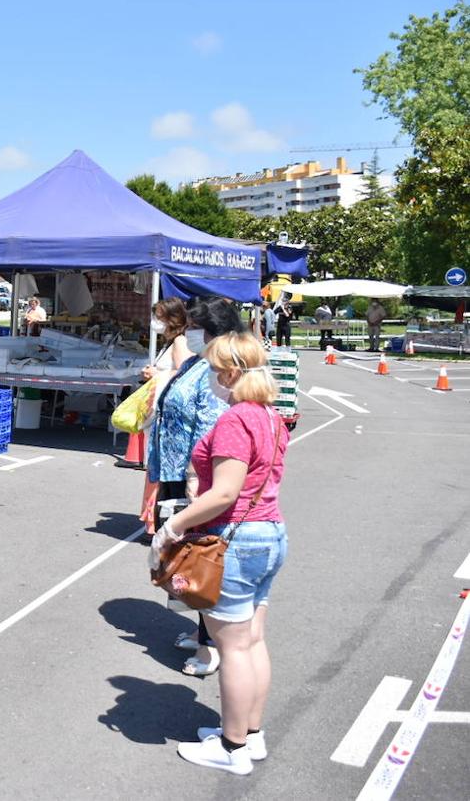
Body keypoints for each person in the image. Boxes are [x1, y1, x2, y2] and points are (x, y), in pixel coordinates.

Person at [154, 331, 289, 775]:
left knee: (232, 649)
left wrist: (174, 525)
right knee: (252, 641)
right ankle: (250, 735)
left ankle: (231, 748)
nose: (210, 376)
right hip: (269, 532)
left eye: (213, 369)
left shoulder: (236, 420)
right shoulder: (270, 416)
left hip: (235, 537)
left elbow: (225, 492)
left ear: (230, 373)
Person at [145, 296, 242, 677]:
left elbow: (210, 428)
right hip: (174, 469)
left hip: (194, 477)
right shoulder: (196, 364)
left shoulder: (219, 373)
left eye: (198, 329)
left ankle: (210, 646)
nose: (192, 334)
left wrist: (195, 482)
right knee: (182, 557)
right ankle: (199, 628)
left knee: (199, 557)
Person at [137, 298, 192, 533]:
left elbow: (182, 373)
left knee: (160, 469)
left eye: (158, 317)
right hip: (160, 413)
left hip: (168, 417)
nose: (155, 322)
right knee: (155, 469)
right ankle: (153, 522)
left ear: (172, 318)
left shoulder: (180, 342)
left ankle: (157, 524)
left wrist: (156, 374)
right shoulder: (170, 342)